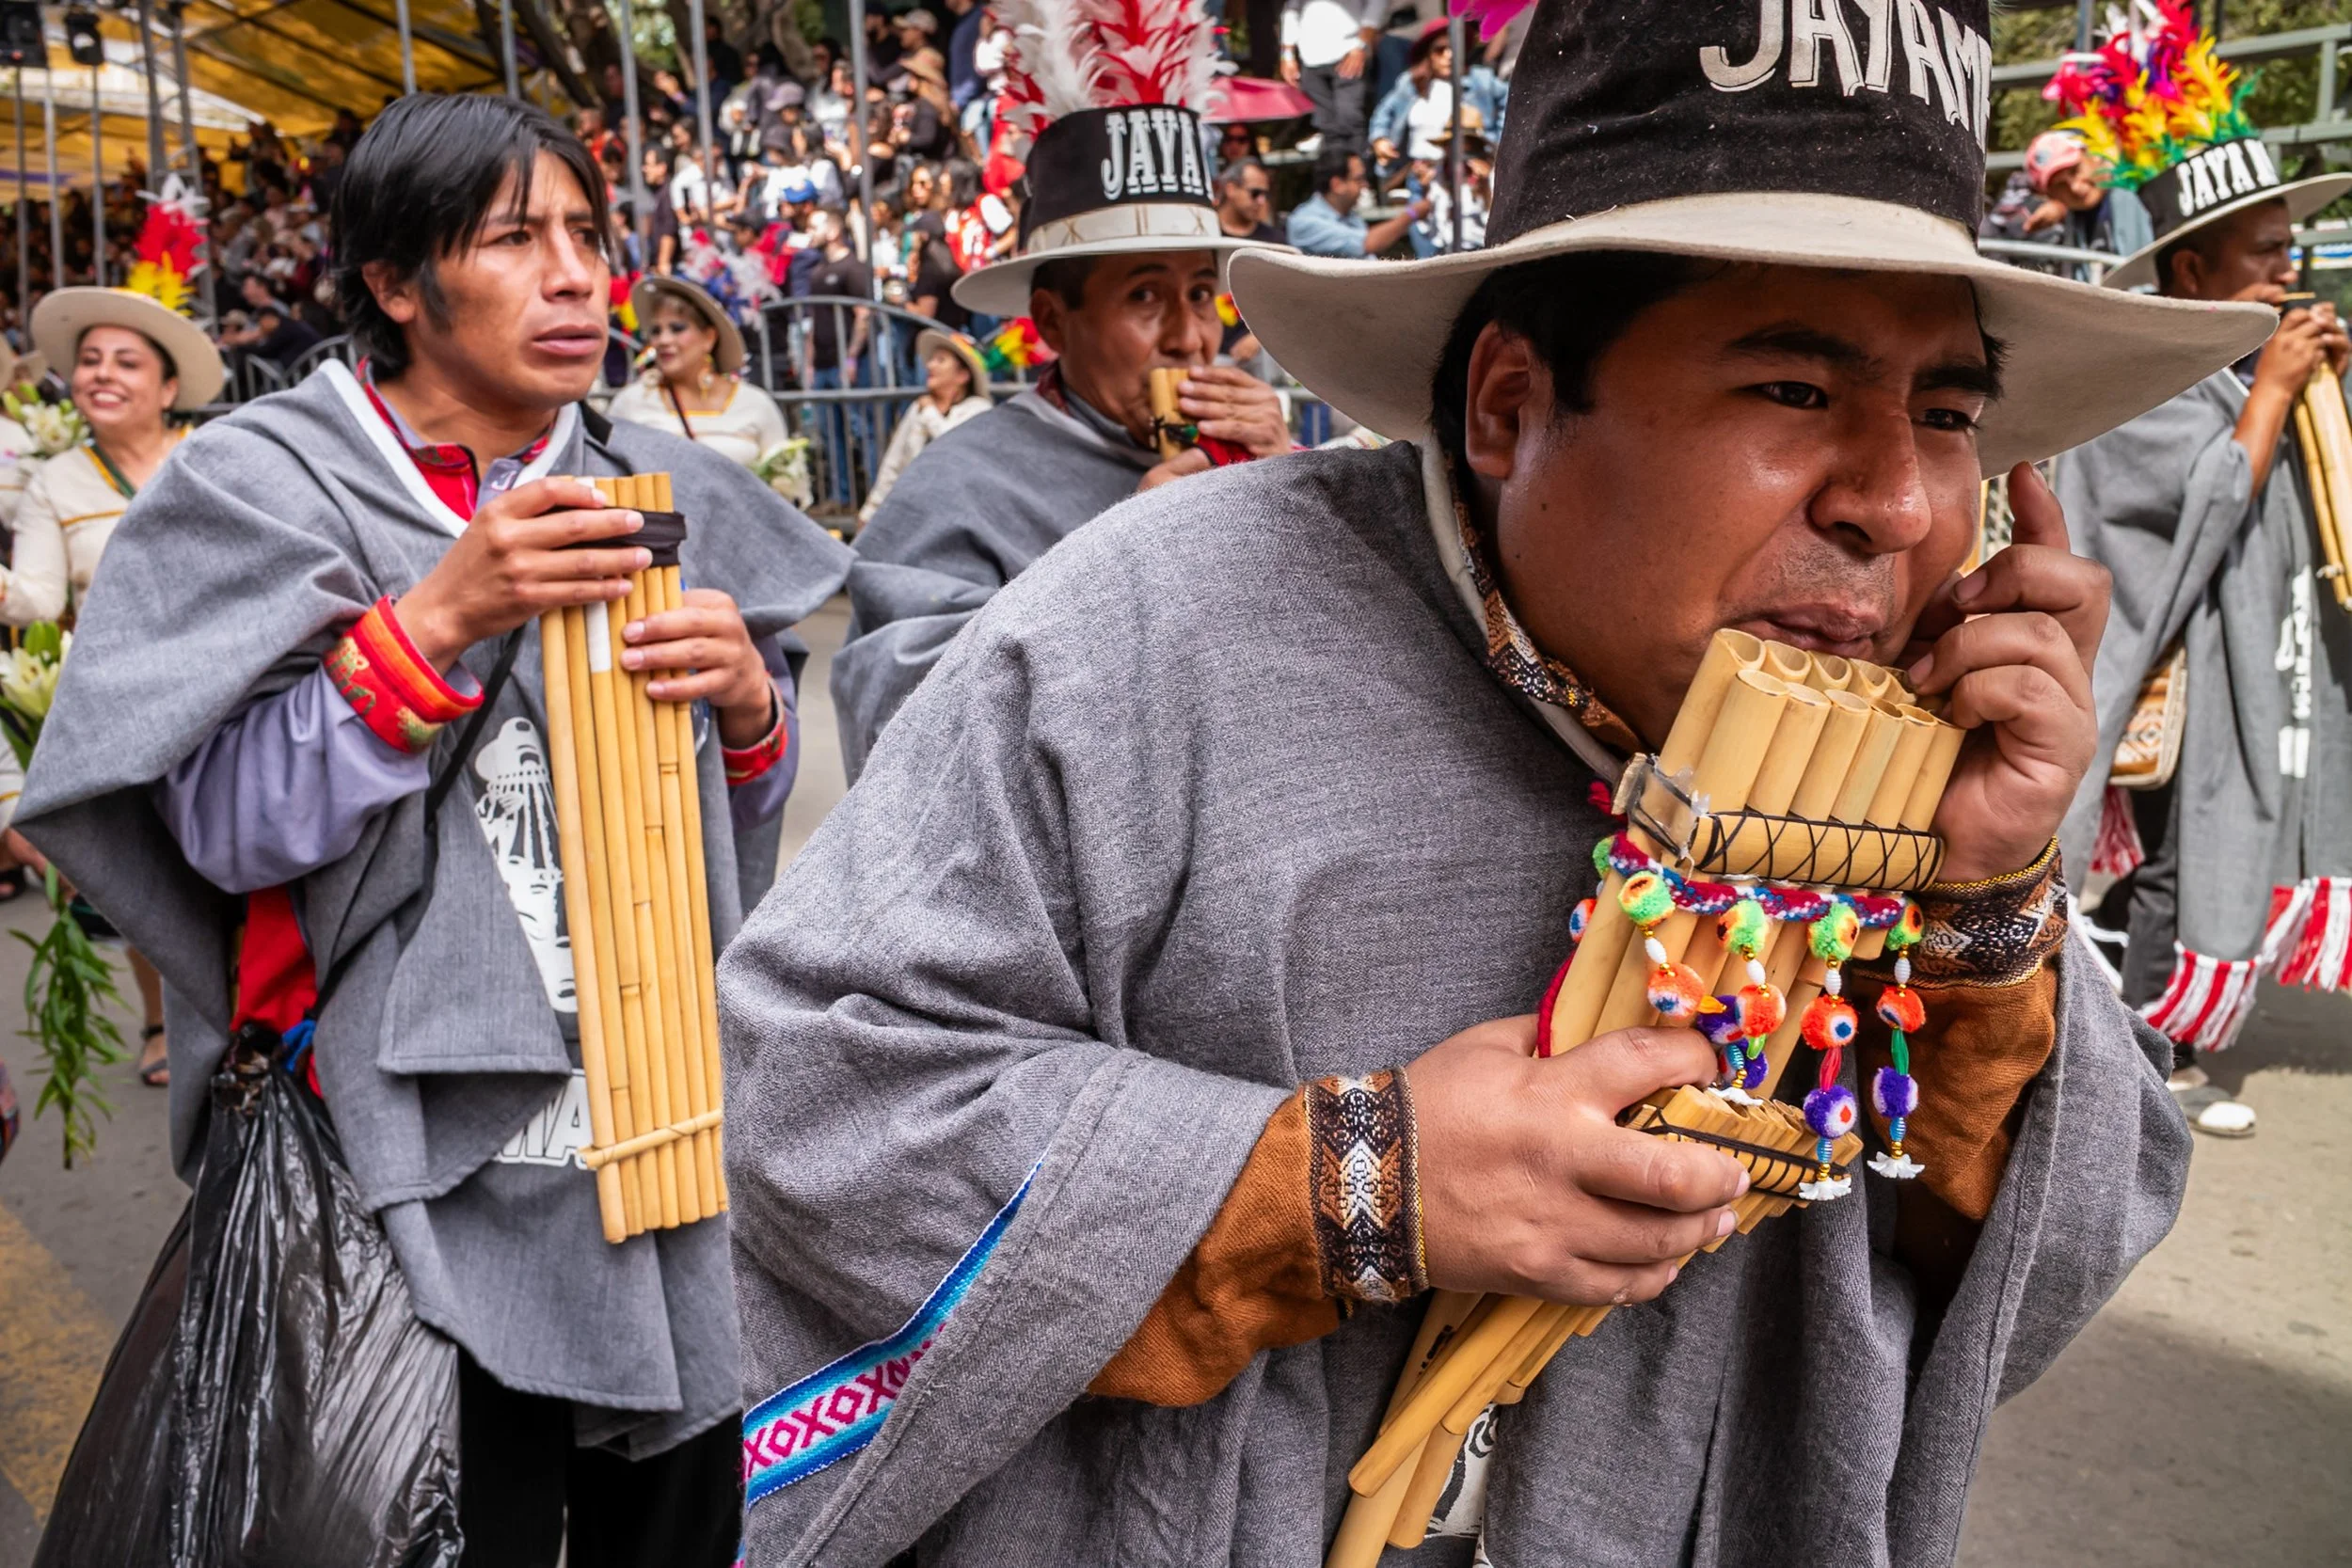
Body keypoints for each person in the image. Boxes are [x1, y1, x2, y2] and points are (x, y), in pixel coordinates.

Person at [722, 1, 2269, 1561]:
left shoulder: (1899, 750)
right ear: (1510, 405)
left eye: (1947, 414)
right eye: (1796, 393)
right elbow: (818, 1092)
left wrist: (1988, 905)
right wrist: (1343, 1185)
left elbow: (2043, 1263)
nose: (1892, 503)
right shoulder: (1147, 625)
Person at [16, 94, 850, 1564]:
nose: (579, 275)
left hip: (650, 1134)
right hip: (403, 1164)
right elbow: (225, 830)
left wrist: (749, 715)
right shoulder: (261, 484)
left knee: (678, 1517)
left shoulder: (672, 491)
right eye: (516, 238)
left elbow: (737, 838)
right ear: (396, 282)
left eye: (587, 234)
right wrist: (440, 617)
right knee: (451, 1520)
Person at [829, 0, 1291, 779]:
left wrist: (1291, 491)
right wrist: (1125, 562)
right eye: (1146, 296)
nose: (1191, 337)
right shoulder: (959, 486)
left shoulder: (1263, 454)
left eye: (1202, 293)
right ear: (1051, 319)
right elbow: (895, 724)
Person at [2046, 11, 2352, 1139]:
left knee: (2173, 864)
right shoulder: (2147, 377)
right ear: (2191, 270)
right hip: (2156, 675)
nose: (2289, 268)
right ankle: (2137, 1051)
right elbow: (2167, 527)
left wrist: (2313, 407)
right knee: (2163, 864)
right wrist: (2270, 397)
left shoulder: (2254, 367)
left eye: (2291, 249)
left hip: (2233, 677)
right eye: (2264, 253)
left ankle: (2144, 1042)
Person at [9, 280, 225, 1088]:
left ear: (168, 388)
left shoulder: (213, 455)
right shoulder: (53, 481)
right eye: (90, 360)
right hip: (121, 713)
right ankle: (166, 1017)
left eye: (126, 362)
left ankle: (255, 1010)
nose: (102, 373)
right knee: (147, 877)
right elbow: (34, 598)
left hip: (228, 694)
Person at [606, 275, 791, 470]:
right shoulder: (631, 403)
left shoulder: (756, 404)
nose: (663, 340)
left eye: (677, 328)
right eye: (656, 331)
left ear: (709, 338)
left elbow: (782, 488)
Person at [1979, 130, 2152, 281]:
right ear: (2049, 195)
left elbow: (2142, 286)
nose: (2076, 188)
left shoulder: (2125, 198)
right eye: (2060, 186)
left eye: (2075, 170)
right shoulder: (2076, 217)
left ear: (2092, 156)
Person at [858, 326, 990, 524]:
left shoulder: (978, 410)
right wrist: (870, 510)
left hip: (957, 517)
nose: (930, 365)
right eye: (931, 359)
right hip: (912, 513)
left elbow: (950, 449)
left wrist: (929, 413)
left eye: (941, 360)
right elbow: (894, 462)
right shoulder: (917, 408)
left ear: (963, 375)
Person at [1279, 0, 1383, 157]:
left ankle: (1357, 176)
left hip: (1348, 53)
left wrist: (1361, 45)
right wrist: (1287, 54)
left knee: (1350, 119)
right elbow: (1291, 9)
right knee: (1326, 125)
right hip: (1310, 57)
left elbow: (1377, 3)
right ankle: (1333, 177)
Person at [1288, 145, 1425, 257]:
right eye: (1359, 179)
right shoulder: (1304, 222)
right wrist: (1412, 214)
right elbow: (1367, 243)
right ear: (1337, 185)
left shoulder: (1350, 216)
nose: (1365, 185)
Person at [1215, 157, 1281, 244]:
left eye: (1265, 194)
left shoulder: (1275, 240)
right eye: (1255, 193)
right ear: (1231, 189)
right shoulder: (1203, 232)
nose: (1261, 201)